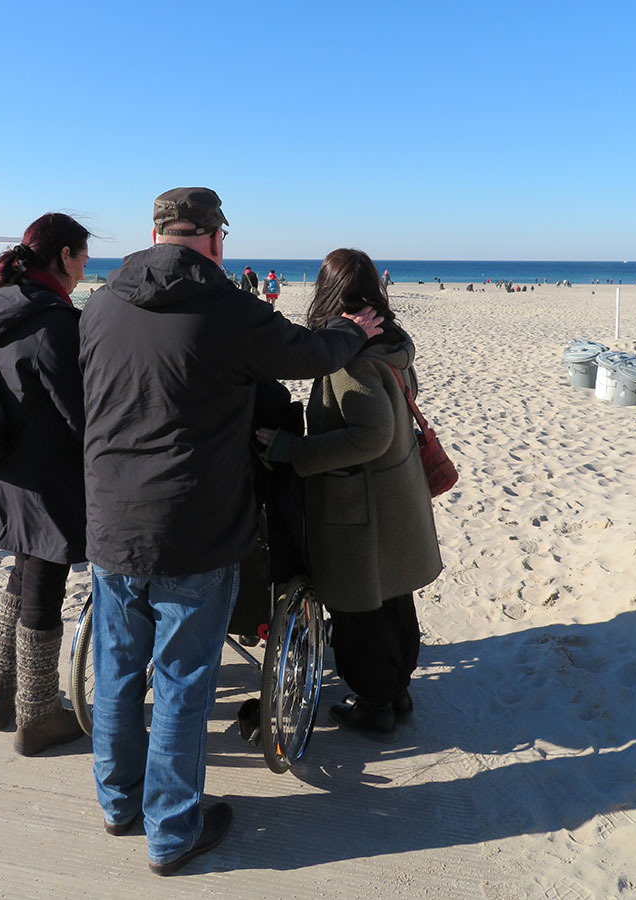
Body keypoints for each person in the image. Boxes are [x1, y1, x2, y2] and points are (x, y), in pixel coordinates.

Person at [78, 187, 383, 875]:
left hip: (110, 522)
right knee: (184, 680)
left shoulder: (99, 304)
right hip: (193, 527)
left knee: (119, 671)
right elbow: (309, 354)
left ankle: (118, 803)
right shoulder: (228, 307)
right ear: (216, 239)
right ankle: (171, 831)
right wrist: (354, 334)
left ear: (152, 234)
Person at [257, 248, 442, 741]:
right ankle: (395, 692)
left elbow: (370, 435)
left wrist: (293, 449)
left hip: (358, 504)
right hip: (395, 494)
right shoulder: (393, 341)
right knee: (393, 597)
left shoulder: (350, 357)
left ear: (328, 292)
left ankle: (375, 703)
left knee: (360, 610)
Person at [0, 212, 92, 757]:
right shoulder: (51, 320)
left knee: (21, 576)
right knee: (44, 583)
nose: (86, 264)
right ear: (64, 255)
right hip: (45, 478)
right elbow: (79, 411)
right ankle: (38, 716)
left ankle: (1, 693)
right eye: (83, 254)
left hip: (1, 467)